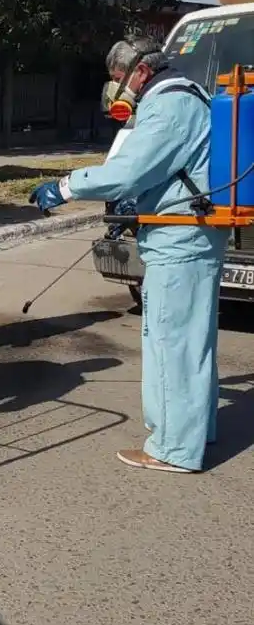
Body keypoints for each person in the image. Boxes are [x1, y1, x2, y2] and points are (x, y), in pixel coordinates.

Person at [30, 36, 227, 473]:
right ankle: (197, 429)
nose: (118, 89)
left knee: (172, 343)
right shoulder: (189, 93)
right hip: (188, 235)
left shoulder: (169, 105)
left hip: (182, 241)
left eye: (119, 79)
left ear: (140, 70)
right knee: (192, 342)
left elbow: (128, 170)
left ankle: (174, 449)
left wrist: (64, 187)